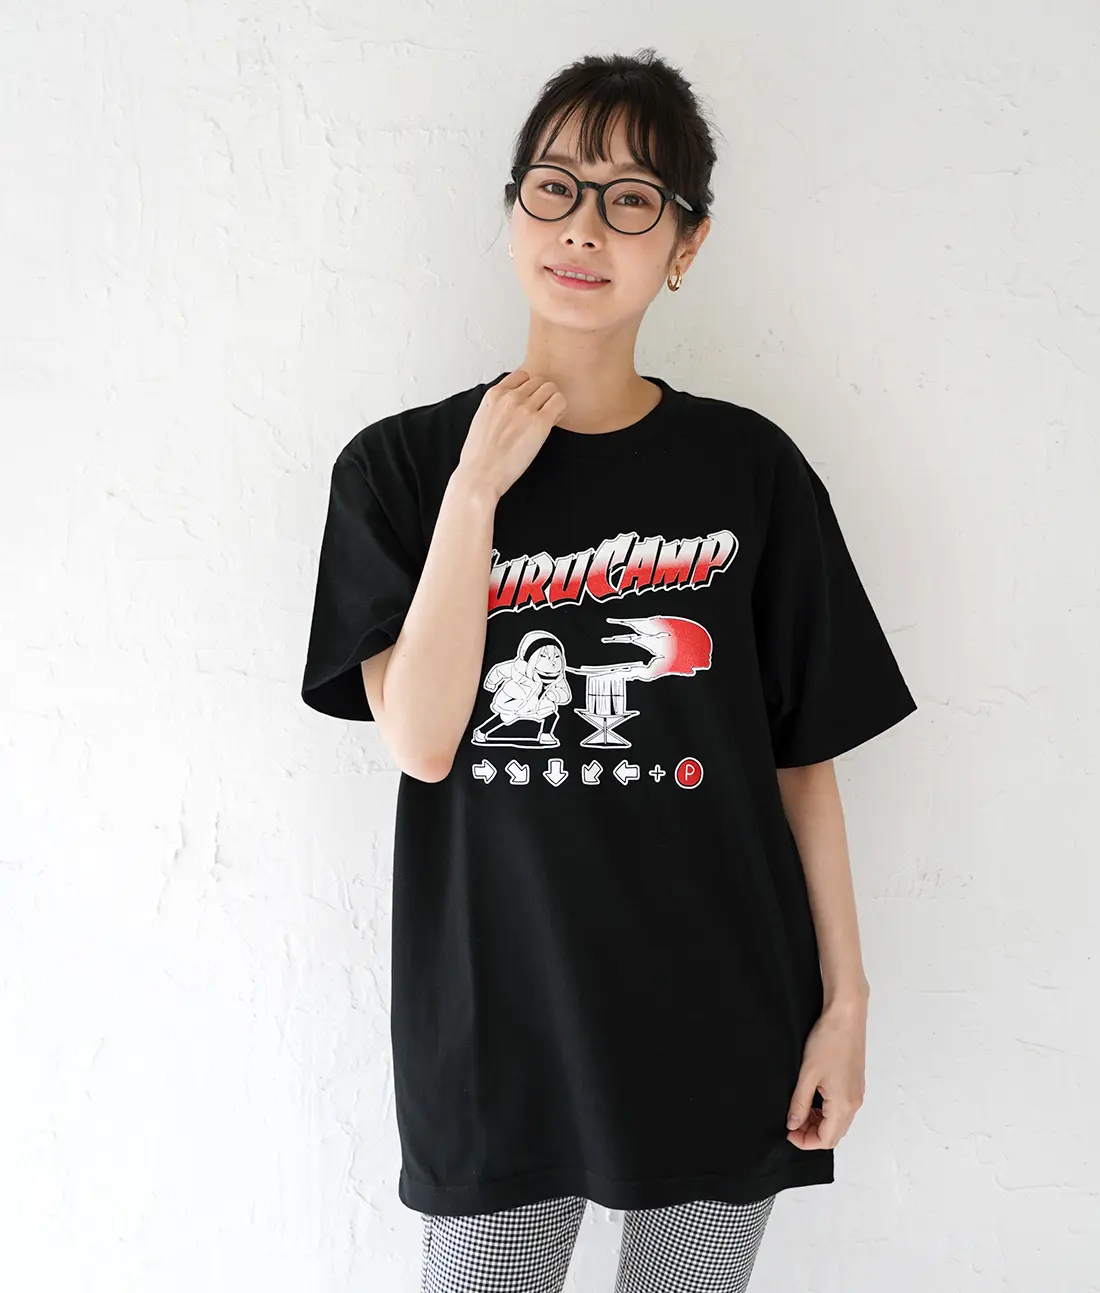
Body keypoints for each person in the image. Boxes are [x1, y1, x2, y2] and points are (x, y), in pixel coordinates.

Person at [301, 48, 918, 1293]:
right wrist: (478, 489)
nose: (583, 227)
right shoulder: (400, 470)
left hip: (719, 1014)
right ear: (512, 211)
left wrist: (845, 1005)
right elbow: (422, 739)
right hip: (495, 1027)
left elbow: (800, 764)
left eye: (631, 199)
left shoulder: (750, 471)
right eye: (555, 187)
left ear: (684, 244)